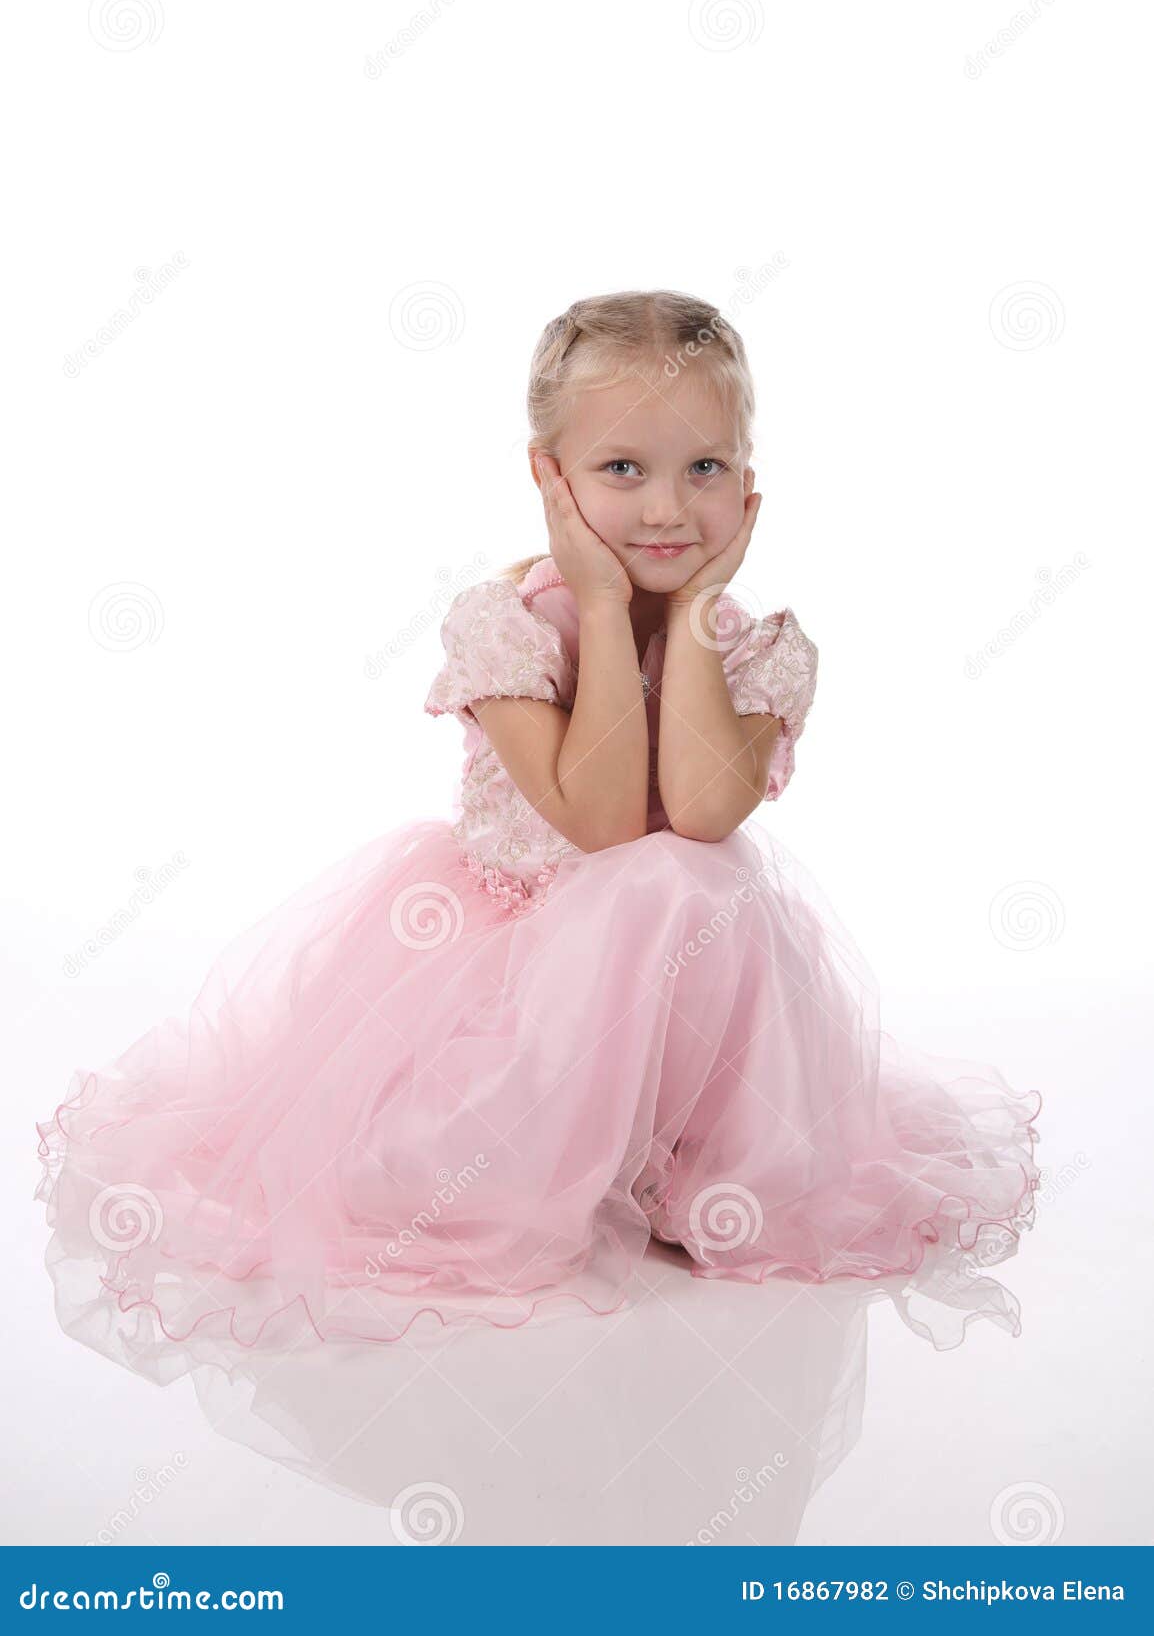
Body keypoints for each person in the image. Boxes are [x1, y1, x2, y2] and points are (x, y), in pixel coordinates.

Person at [35, 289, 1042, 1430]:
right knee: (658, 879)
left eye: (704, 468)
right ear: (548, 477)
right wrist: (604, 607)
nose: (667, 507)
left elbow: (705, 811)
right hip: (513, 990)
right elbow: (605, 823)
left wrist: (699, 608)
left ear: (749, 484)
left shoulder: (753, 644)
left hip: (687, 1007)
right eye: (621, 469)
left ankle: (686, 1162)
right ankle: (556, 1169)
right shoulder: (507, 620)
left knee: (705, 879)